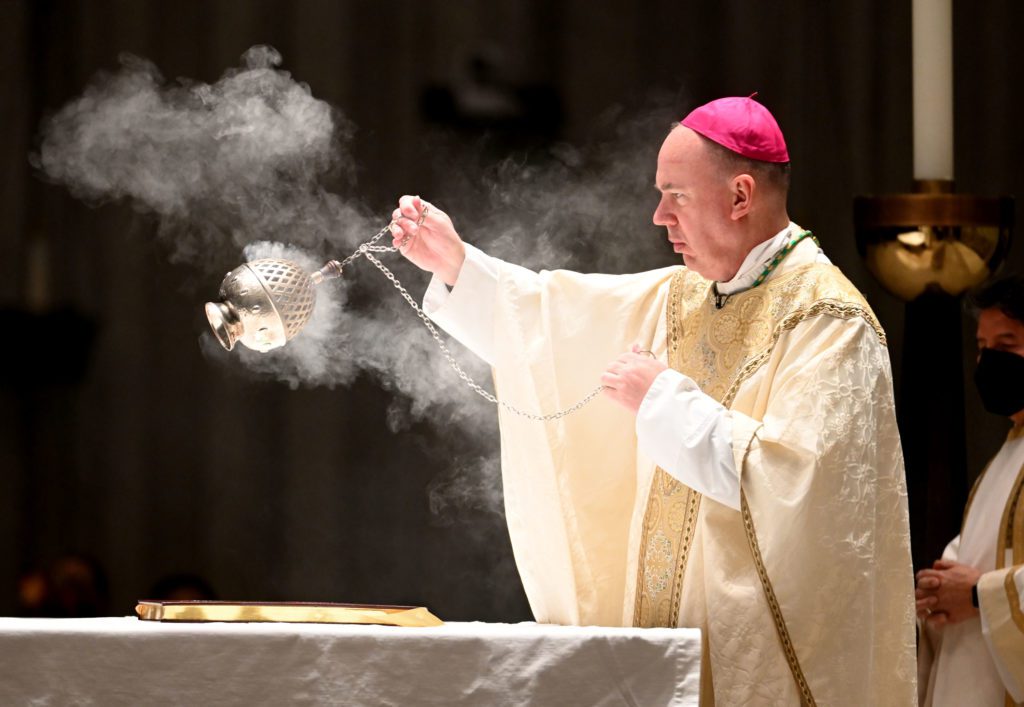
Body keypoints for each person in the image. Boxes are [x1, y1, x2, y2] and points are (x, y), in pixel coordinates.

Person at [391, 96, 916, 705]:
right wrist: (458, 263)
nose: (658, 215)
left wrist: (662, 400)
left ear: (740, 196)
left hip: (764, 665)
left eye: (677, 195)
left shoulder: (828, 320)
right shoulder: (686, 294)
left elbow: (802, 485)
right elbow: (554, 318)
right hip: (672, 651)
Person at [917, 275, 1024, 706]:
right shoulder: (1006, 454)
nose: (988, 361)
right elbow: (971, 558)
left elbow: (978, 584)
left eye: (1007, 344)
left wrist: (981, 595)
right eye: (982, 348)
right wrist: (934, 594)